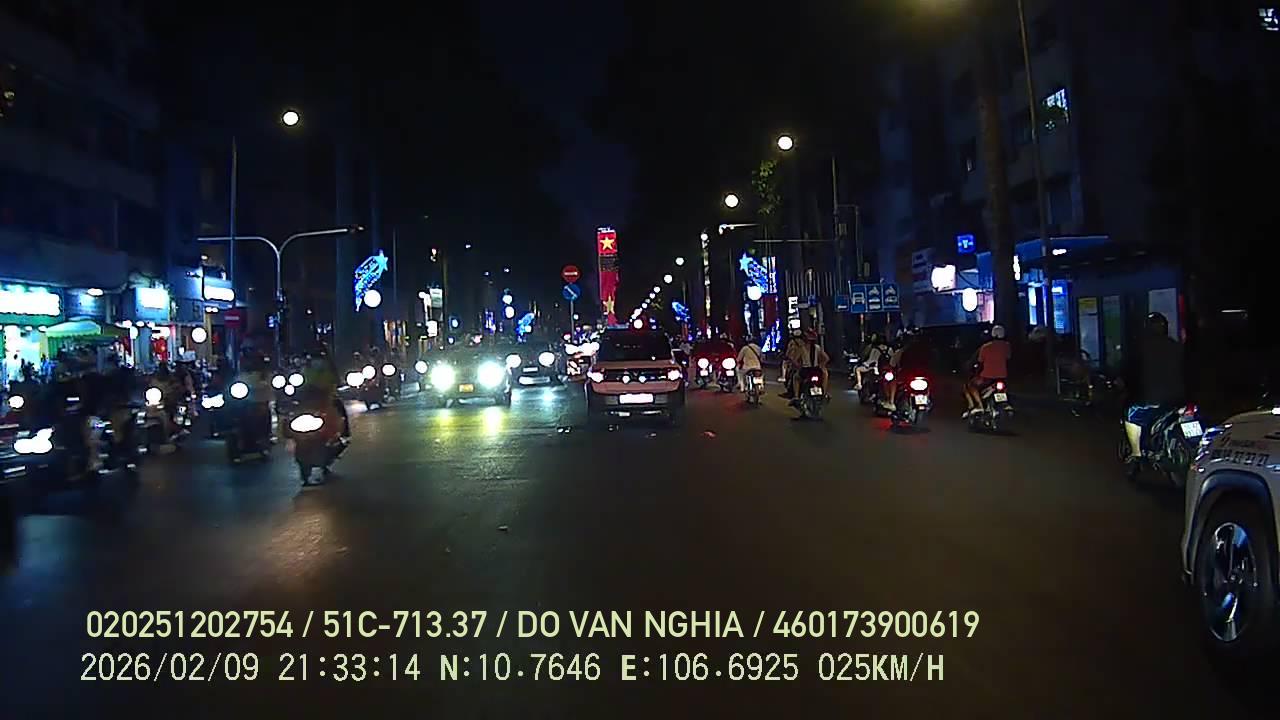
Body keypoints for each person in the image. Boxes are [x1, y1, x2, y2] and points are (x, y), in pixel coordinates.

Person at [1123, 312, 1185, 462]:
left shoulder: (1141, 348)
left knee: (1132, 416)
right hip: (1179, 398)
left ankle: (1136, 454)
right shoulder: (1176, 346)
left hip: (1154, 399)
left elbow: (1130, 370)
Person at [962, 324, 1013, 418]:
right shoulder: (1007, 346)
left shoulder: (986, 347)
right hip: (1002, 377)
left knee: (970, 386)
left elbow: (979, 361)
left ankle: (979, 406)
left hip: (987, 378)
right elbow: (1008, 358)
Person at [304, 343, 350, 437]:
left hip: (326, 394)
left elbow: (336, 379)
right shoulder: (306, 366)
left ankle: (345, 432)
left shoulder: (328, 366)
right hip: (310, 395)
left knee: (339, 408)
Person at [882, 327, 932, 412]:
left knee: (893, 381)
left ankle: (891, 402)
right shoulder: (926, 351)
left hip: (906, 376)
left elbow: (892, 364)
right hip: (921, 376)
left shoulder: (901, 352)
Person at [786, 328, 829, 399]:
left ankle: (796, 397)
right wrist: (821, 365)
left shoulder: (801, 348)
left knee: (796, 378)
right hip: (816, 370)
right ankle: (824, 393)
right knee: (825, 374)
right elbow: (826, 358)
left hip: (805, 371)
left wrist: (798, 366)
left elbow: (795, 360)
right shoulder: (817, 348)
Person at [780, 329, 805, 399]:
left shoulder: (792, 342)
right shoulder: (803, 343)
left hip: (793, 362)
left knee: (789, 376)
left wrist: (787, 357)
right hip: (802, 362)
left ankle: (792, 393)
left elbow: (788, 352)